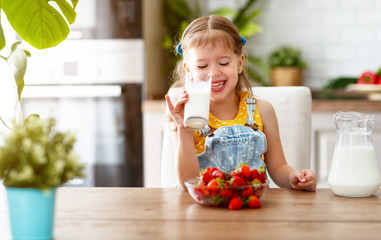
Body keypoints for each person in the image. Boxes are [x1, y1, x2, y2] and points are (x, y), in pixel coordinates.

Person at [165, 15, 316, 191]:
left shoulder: (263, 111)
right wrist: (184, 131)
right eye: (202, 66)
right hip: (205, 211)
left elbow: (278, 167)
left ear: (239, 63)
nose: (213, 72)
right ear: (188, 70)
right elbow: (187, 182)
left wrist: (293, 177)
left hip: (250, 208)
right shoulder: (187, 116)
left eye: (223, 62)